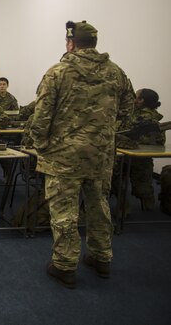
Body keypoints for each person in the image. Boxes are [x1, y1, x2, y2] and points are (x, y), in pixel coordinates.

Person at [30, 20, 134, 289]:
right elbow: (127, 112)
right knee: (99, 205)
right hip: (100, 156)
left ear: (71, 43)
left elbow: (40, 118)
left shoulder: (58, 73)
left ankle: (64, 265)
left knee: (64, 210)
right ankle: (102, 258)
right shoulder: (116, 73)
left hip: (63, 156)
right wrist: (104, 135)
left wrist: (42, 147)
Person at [127, 89, 165, 210]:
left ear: (141, 100)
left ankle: (124, 208)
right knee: (143, 183)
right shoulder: (152, 115)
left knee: (120, 181)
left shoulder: (141, 117)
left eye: (136, 96)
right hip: (143, 156)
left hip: (135, 154)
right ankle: (147, 204)